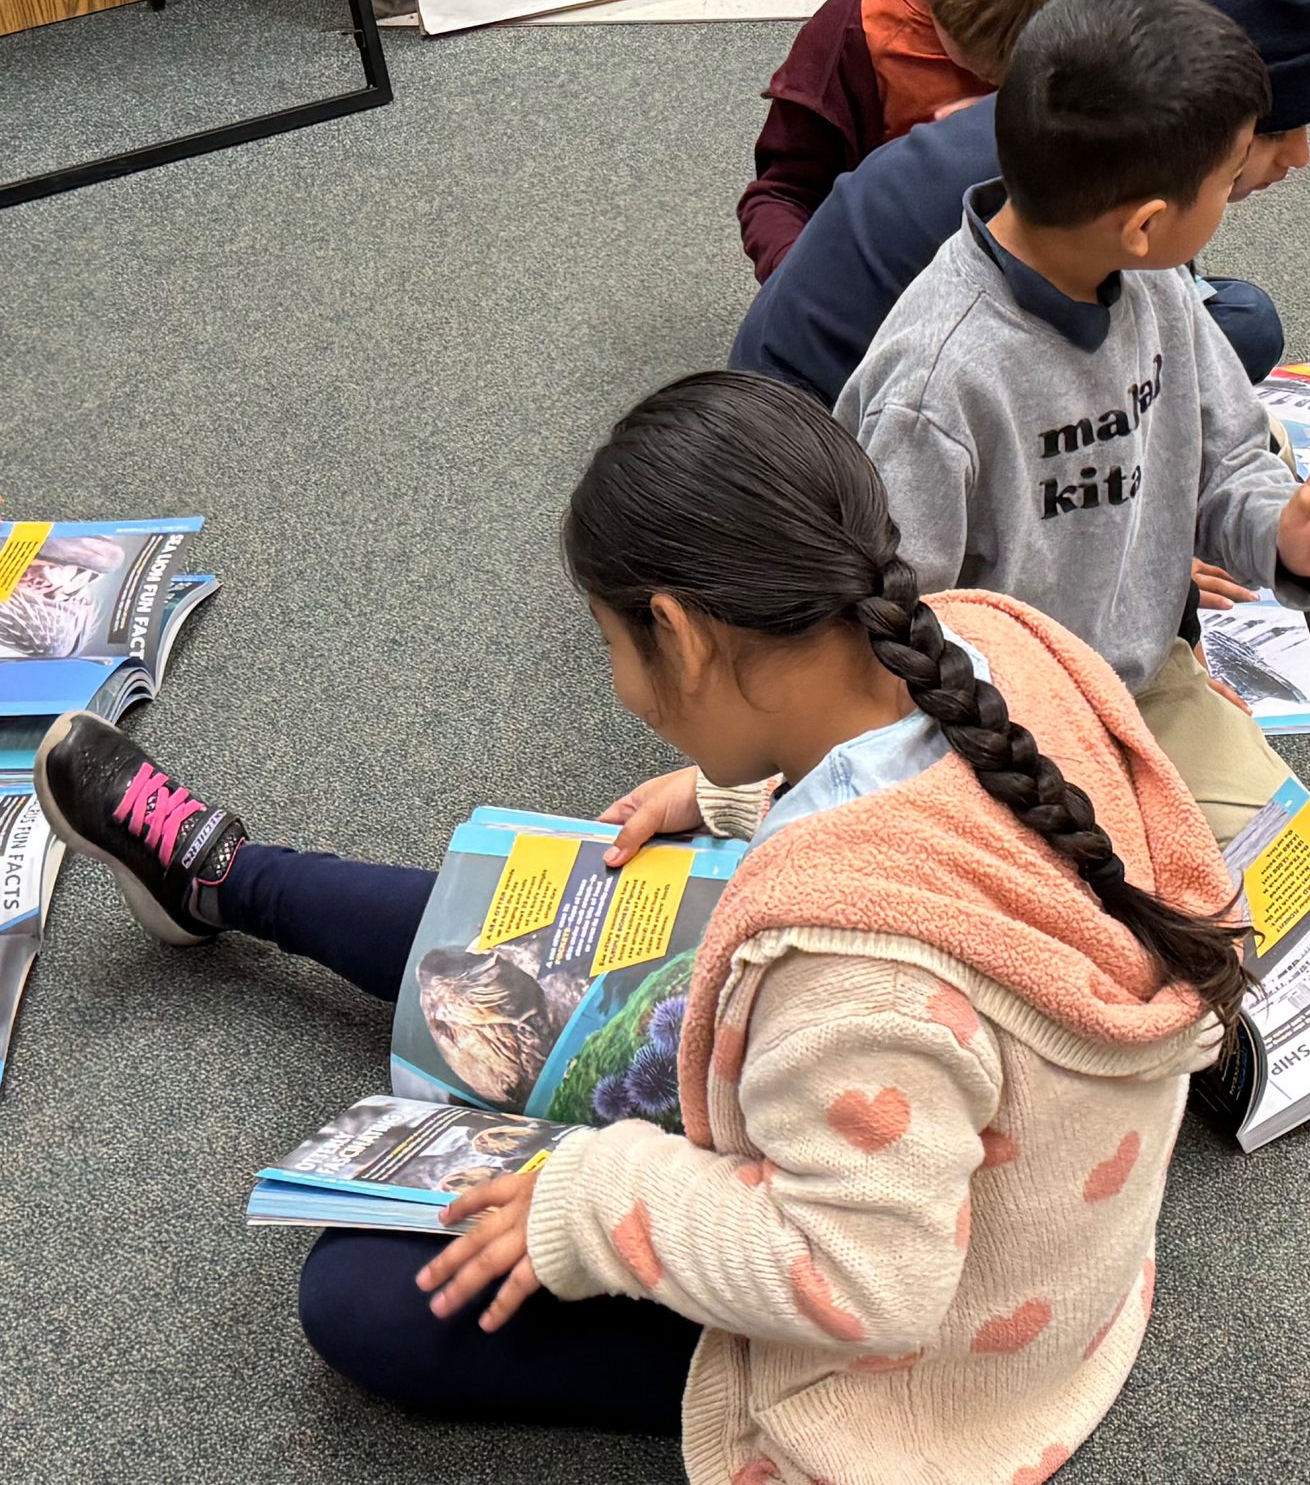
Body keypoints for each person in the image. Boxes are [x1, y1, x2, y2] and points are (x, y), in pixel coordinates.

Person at [31, 373, 1246, 1481]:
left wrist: (597, 1197)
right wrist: (740, 797)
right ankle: (224, 879)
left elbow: (871, 1285)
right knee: (516, 936)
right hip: (923, 1118)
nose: (619, 682)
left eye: (614, 646)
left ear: (683, 633)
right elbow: (930, 796)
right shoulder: (996, 643)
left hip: (930, 1334)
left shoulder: (853, 982)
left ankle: (234, 882)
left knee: (356, 1296)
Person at [838, 0, 1310, 845]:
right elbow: (892, 646)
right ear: (1147, 223)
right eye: (1231, 171)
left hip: (1145, 684)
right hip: (988, 737)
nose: (1251, 180)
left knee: (1290, 876)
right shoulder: (935, 387)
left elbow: (1230, 463)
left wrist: (1288, 536)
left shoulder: (1156, 282)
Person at [730, 0, 1310, 398]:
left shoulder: (1089, 122)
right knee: (1210, 349)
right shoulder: (1046, 168)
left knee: (1236, 324)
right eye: (1277, 131)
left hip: (905, 368)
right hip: (825, 457)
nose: (1301, 157)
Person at [737, 0, 1100, 281]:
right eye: (974, 58)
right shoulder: (856, 36)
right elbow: (780, 196)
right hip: (905, 277)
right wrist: (807, 290)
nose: (1003, 77)